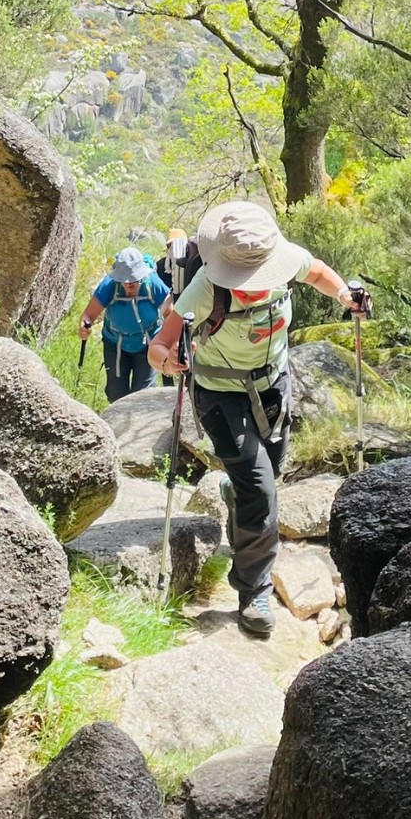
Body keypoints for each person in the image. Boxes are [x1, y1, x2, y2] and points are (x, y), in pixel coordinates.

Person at [147, 200, 370, 638]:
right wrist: (167, 362)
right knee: (261, 490)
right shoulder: (205, 287)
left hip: (273, 386)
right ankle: (254, 592)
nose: (250, 287)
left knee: (270, 472)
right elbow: (160, 344)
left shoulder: (286, 261)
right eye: (243, 279)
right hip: (221, 394)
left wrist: (344, 295)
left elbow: (318, 272)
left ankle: (236, 494)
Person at [80, 246, 170, 403]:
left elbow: (170, 314)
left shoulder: (153, 283)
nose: (129, 285)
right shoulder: (109, 285)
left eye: (133, 281)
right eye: (125, 281)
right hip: (115, 345)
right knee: (116, 395)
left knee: (143, 396)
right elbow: (88, 315)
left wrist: (167, 343)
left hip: (148, 344)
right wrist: (84, 326)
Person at [155, 227, 202, 381]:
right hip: (170, 314)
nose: (173, 249)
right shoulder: (161, 266)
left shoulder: (194, 265)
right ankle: (168, 379)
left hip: (188, 312)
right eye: (170, 245)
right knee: (169, 349)